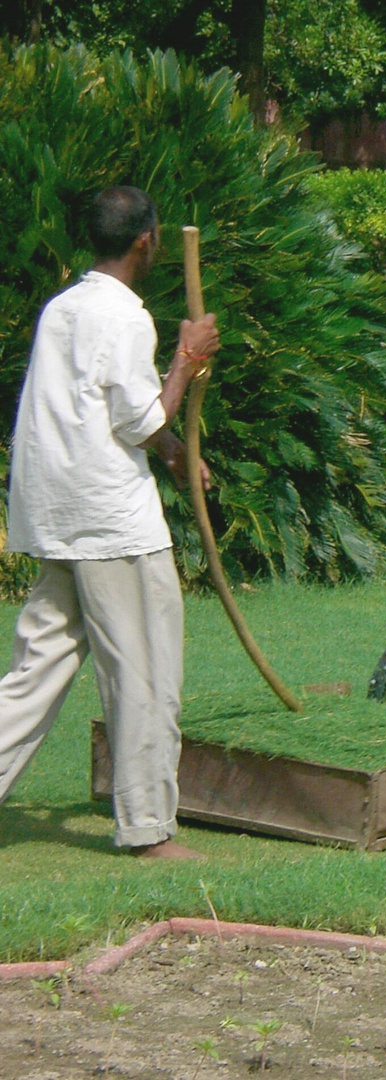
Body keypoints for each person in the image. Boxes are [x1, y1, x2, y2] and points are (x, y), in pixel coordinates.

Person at [0, 186, 220, 859]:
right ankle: (148, 830)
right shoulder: (125, 317)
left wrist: (179, 452)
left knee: (38, 668)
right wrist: (186, 359)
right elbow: (136, 419)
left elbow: (100, 411)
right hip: (111, 523)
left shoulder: (62, 307)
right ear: (145, 240)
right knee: (143, 674)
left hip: (57, 514)